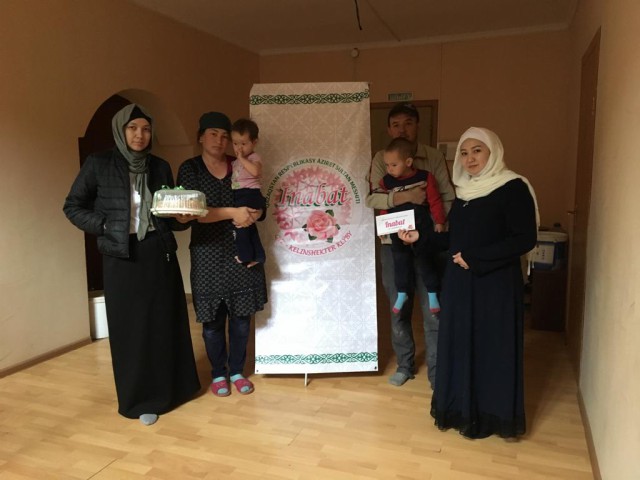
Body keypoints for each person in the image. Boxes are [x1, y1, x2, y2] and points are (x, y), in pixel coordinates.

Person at [63, 103, 201, 426]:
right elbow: (72, 206)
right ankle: (140, 400)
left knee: (164, 323)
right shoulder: (99, 164)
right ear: (120, 130)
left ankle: (175, 389)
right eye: (133, 128)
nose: (140, 135)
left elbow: (167, 216)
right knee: (132, 330)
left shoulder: (159, 167)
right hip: (121, 257)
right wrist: (105, 225)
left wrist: (183, 219)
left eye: (146, 129)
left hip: (158, 252)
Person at [400, 127, 539, 439]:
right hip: (461, 285)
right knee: (461, 345)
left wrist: (476, 258)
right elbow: (456, 240)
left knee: (491, 349)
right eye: (464, 153)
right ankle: (461, 410)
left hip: (495, 286)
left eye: (477, 150)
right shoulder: (465, 193)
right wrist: (420, 236)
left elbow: (524, 238)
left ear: (493, 151)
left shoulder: (512, 187)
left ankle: (492, 417)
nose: (470, 158)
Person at [176, 111, 268, 397]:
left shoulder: (239, 163)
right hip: (207, 254)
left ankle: (237, 371)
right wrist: (233, 213)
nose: (219, 140)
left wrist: (255, 212)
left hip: (241, 249)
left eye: (225, 136)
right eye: (213, 134)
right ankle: (218, 373)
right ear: (200, 137)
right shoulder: (190, 169)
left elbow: (258, 200)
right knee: (213, 322)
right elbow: (193, 212)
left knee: (241, 320)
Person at [366, 102, 455, 388]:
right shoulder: (381, 158)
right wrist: (407, 197)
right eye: (396, 124)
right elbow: (373, 197)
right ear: (388, 129)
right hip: (392, 243)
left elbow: (447, 197)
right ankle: (405, 365)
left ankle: (437, 373)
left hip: (428, 242)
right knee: (398, 305)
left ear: (418, 126)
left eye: (408, 123)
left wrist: (427, 228)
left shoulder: (433, 157)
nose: (402, 129)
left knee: (433, 308)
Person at [377, 137, 446, 315]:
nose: (389, 169)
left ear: (408, 162)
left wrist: (439, 222)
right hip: (397, 227)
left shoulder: (424, 177)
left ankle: (432, 293)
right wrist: (384, 228)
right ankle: (402, 292)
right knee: (400, 259)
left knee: (425, 258)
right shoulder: (386, 182)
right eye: (387, 165)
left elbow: (435, 201)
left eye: (394, 165)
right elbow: (384, 205)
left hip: (421, 226)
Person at [230, 118, 266, 267]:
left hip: (250, 194)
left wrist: (240, 158)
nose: (239, 148)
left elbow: (256, 171)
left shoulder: (253, 157)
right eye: (235, 143)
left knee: (240, 225)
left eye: (243, 144)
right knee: (249, 227)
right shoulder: (235, 161)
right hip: (240, 194)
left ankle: (245, 255)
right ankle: (258, 255)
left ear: (254, 142)